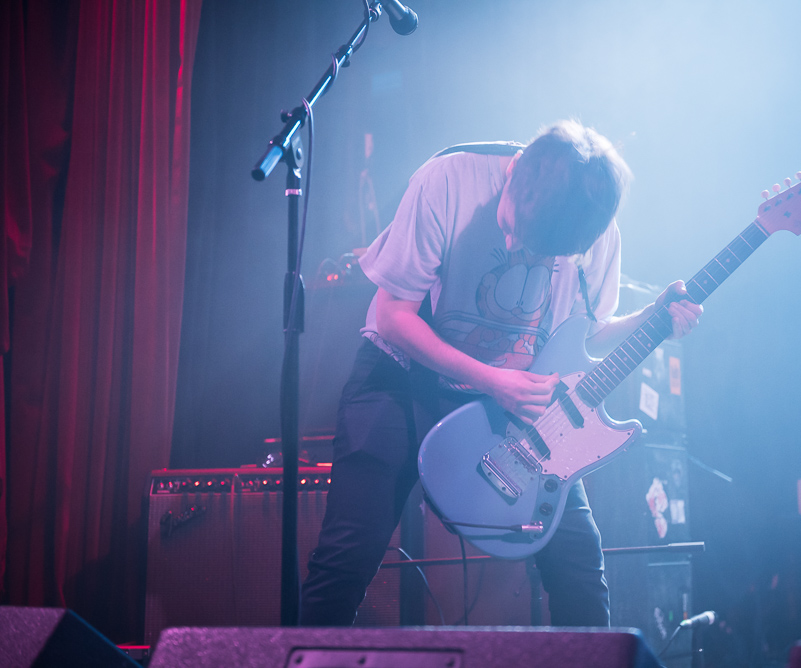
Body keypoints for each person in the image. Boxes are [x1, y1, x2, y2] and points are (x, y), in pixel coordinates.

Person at [299, 120, 703, 626]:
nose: (513, 243)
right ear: (513, 174)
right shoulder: (447, 180)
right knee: (345, 560)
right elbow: (393, 316)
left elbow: (587, 334)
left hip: (514, 400)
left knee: (580, 572)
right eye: (512, 227)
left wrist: (653, 317)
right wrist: (492, 381)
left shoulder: (595, 229)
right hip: (402, 379)